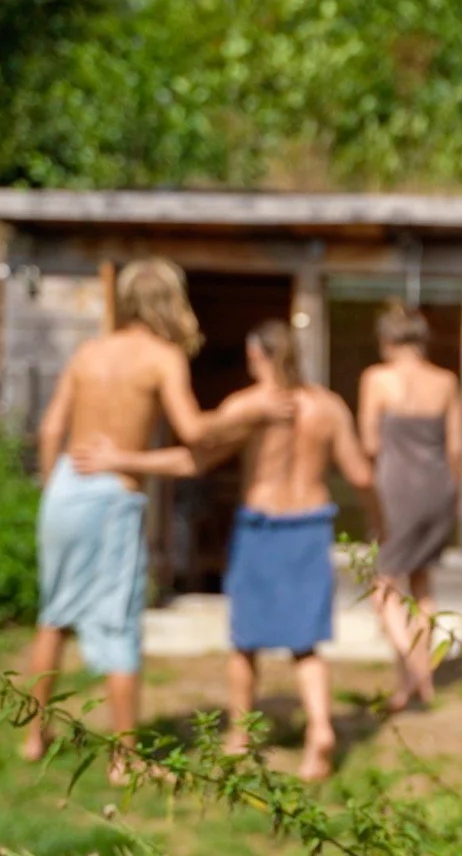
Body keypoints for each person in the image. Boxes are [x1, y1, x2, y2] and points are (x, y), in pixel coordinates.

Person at [22, 257, 291, 782]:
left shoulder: (88, 352)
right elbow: (192, 430)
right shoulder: (163, 357)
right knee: (118, 623)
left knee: (54, 614)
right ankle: (125, 758)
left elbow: (51, 429)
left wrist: (53, 484)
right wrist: (248, 413)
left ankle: (34, 736)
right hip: (111, 495)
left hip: (64, 489)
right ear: (170, 301)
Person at [76, 320, 374, 782]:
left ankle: (239, 734)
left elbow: (190, 459)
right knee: (305, 643)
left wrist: (121, 461)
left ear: (258, 356)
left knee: (245, 639)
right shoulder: (329, 407)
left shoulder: (248, 408)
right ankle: (319, 729)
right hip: (311, 525)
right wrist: (380, 521)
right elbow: (359, 475)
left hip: (263, 526)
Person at [357, 300, 462, 713]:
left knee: (382, 585)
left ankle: (414, 670)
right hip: (438, 487)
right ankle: (418, 683)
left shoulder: (377, 379)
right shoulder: (446, 381)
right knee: (422, 584)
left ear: (387, 340)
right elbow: (456, 448)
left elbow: (368, 443)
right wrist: (455, 496)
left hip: (395, 489)